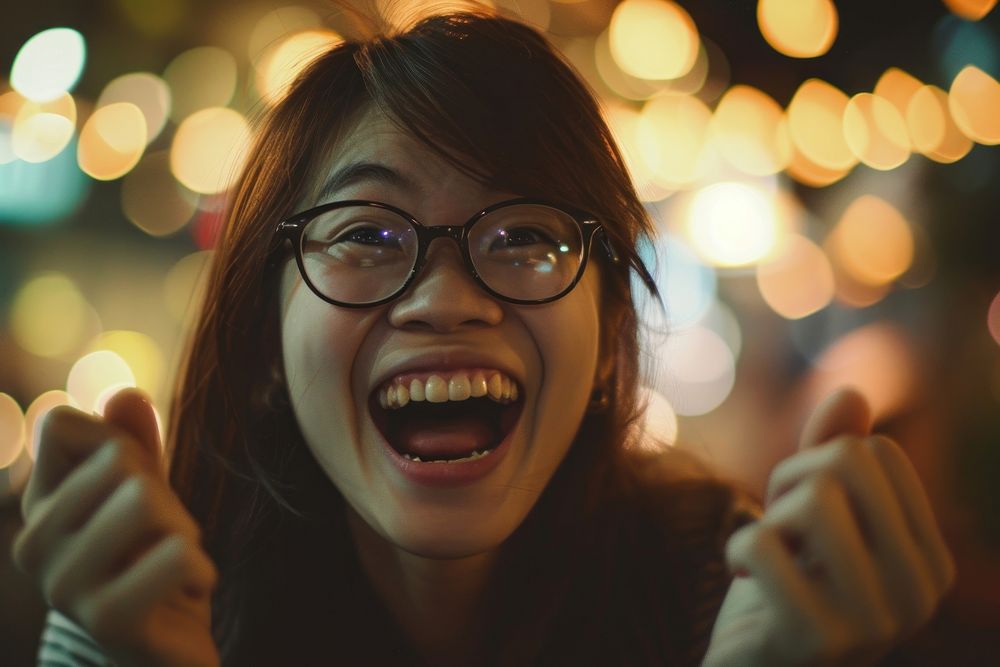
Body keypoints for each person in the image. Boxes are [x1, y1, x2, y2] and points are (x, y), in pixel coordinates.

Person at [11, 9, 955, 666]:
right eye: (368, 235)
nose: (445, 299)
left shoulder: (752, 595)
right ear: (265, 338)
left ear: (610, 323)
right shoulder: (142, 610)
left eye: (527, 236)